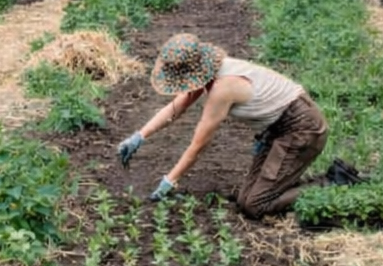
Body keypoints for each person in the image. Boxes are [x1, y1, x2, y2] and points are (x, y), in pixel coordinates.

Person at [116, 31, 328, 219]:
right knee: (245, 198)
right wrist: (140, 136)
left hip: (302, 129)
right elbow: (177, 106)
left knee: (255, 205)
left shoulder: (223, 88)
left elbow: (198, 145)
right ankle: (287, 183)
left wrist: (169, 181)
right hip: (278, 128)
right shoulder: (211, 71)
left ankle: (329, 184)